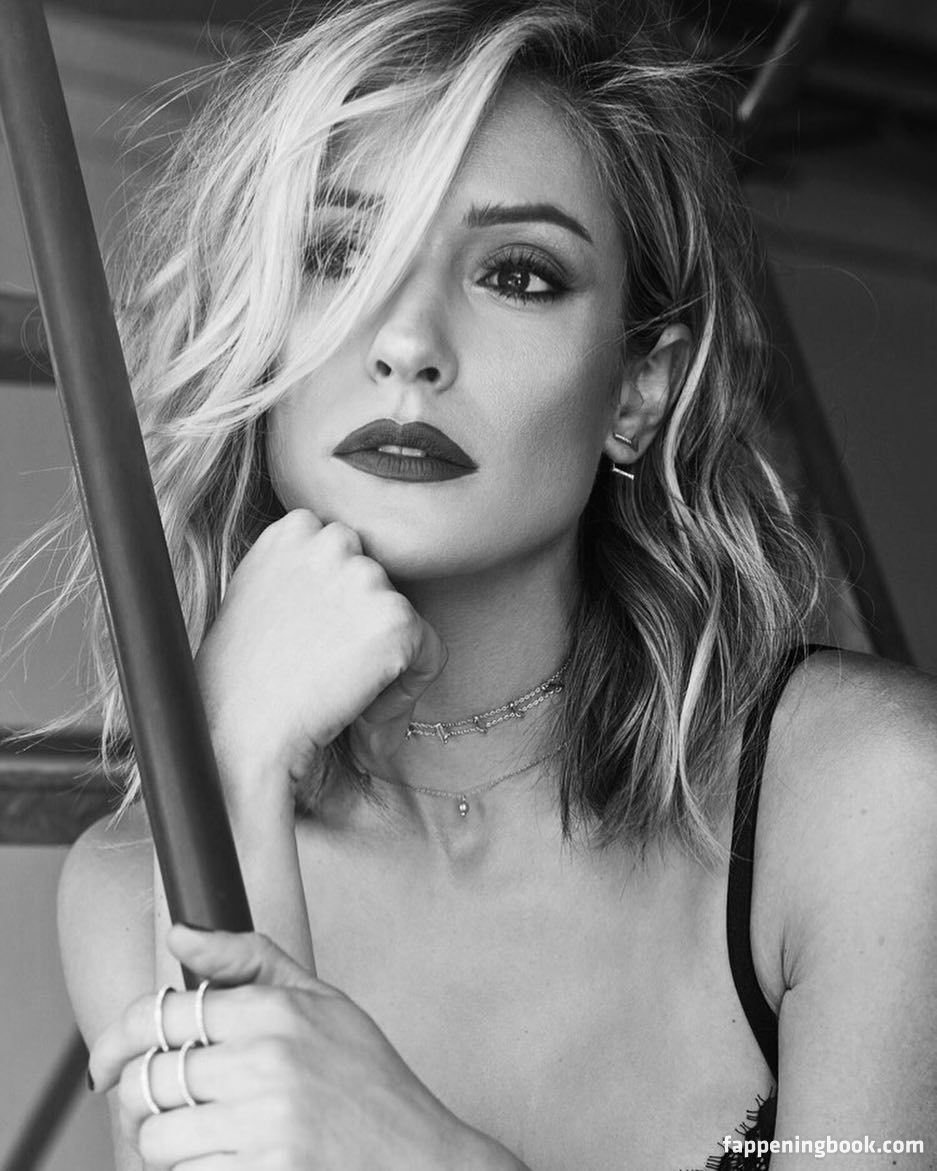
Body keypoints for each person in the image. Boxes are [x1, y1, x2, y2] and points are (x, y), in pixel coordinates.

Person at [42, 0, 937, 1167]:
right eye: (335, 254)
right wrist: (230, 768)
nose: (408, 342)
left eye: (516, 273)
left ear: (636, 390)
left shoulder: (871, 799)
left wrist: (420, 1150)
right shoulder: (126, 889)